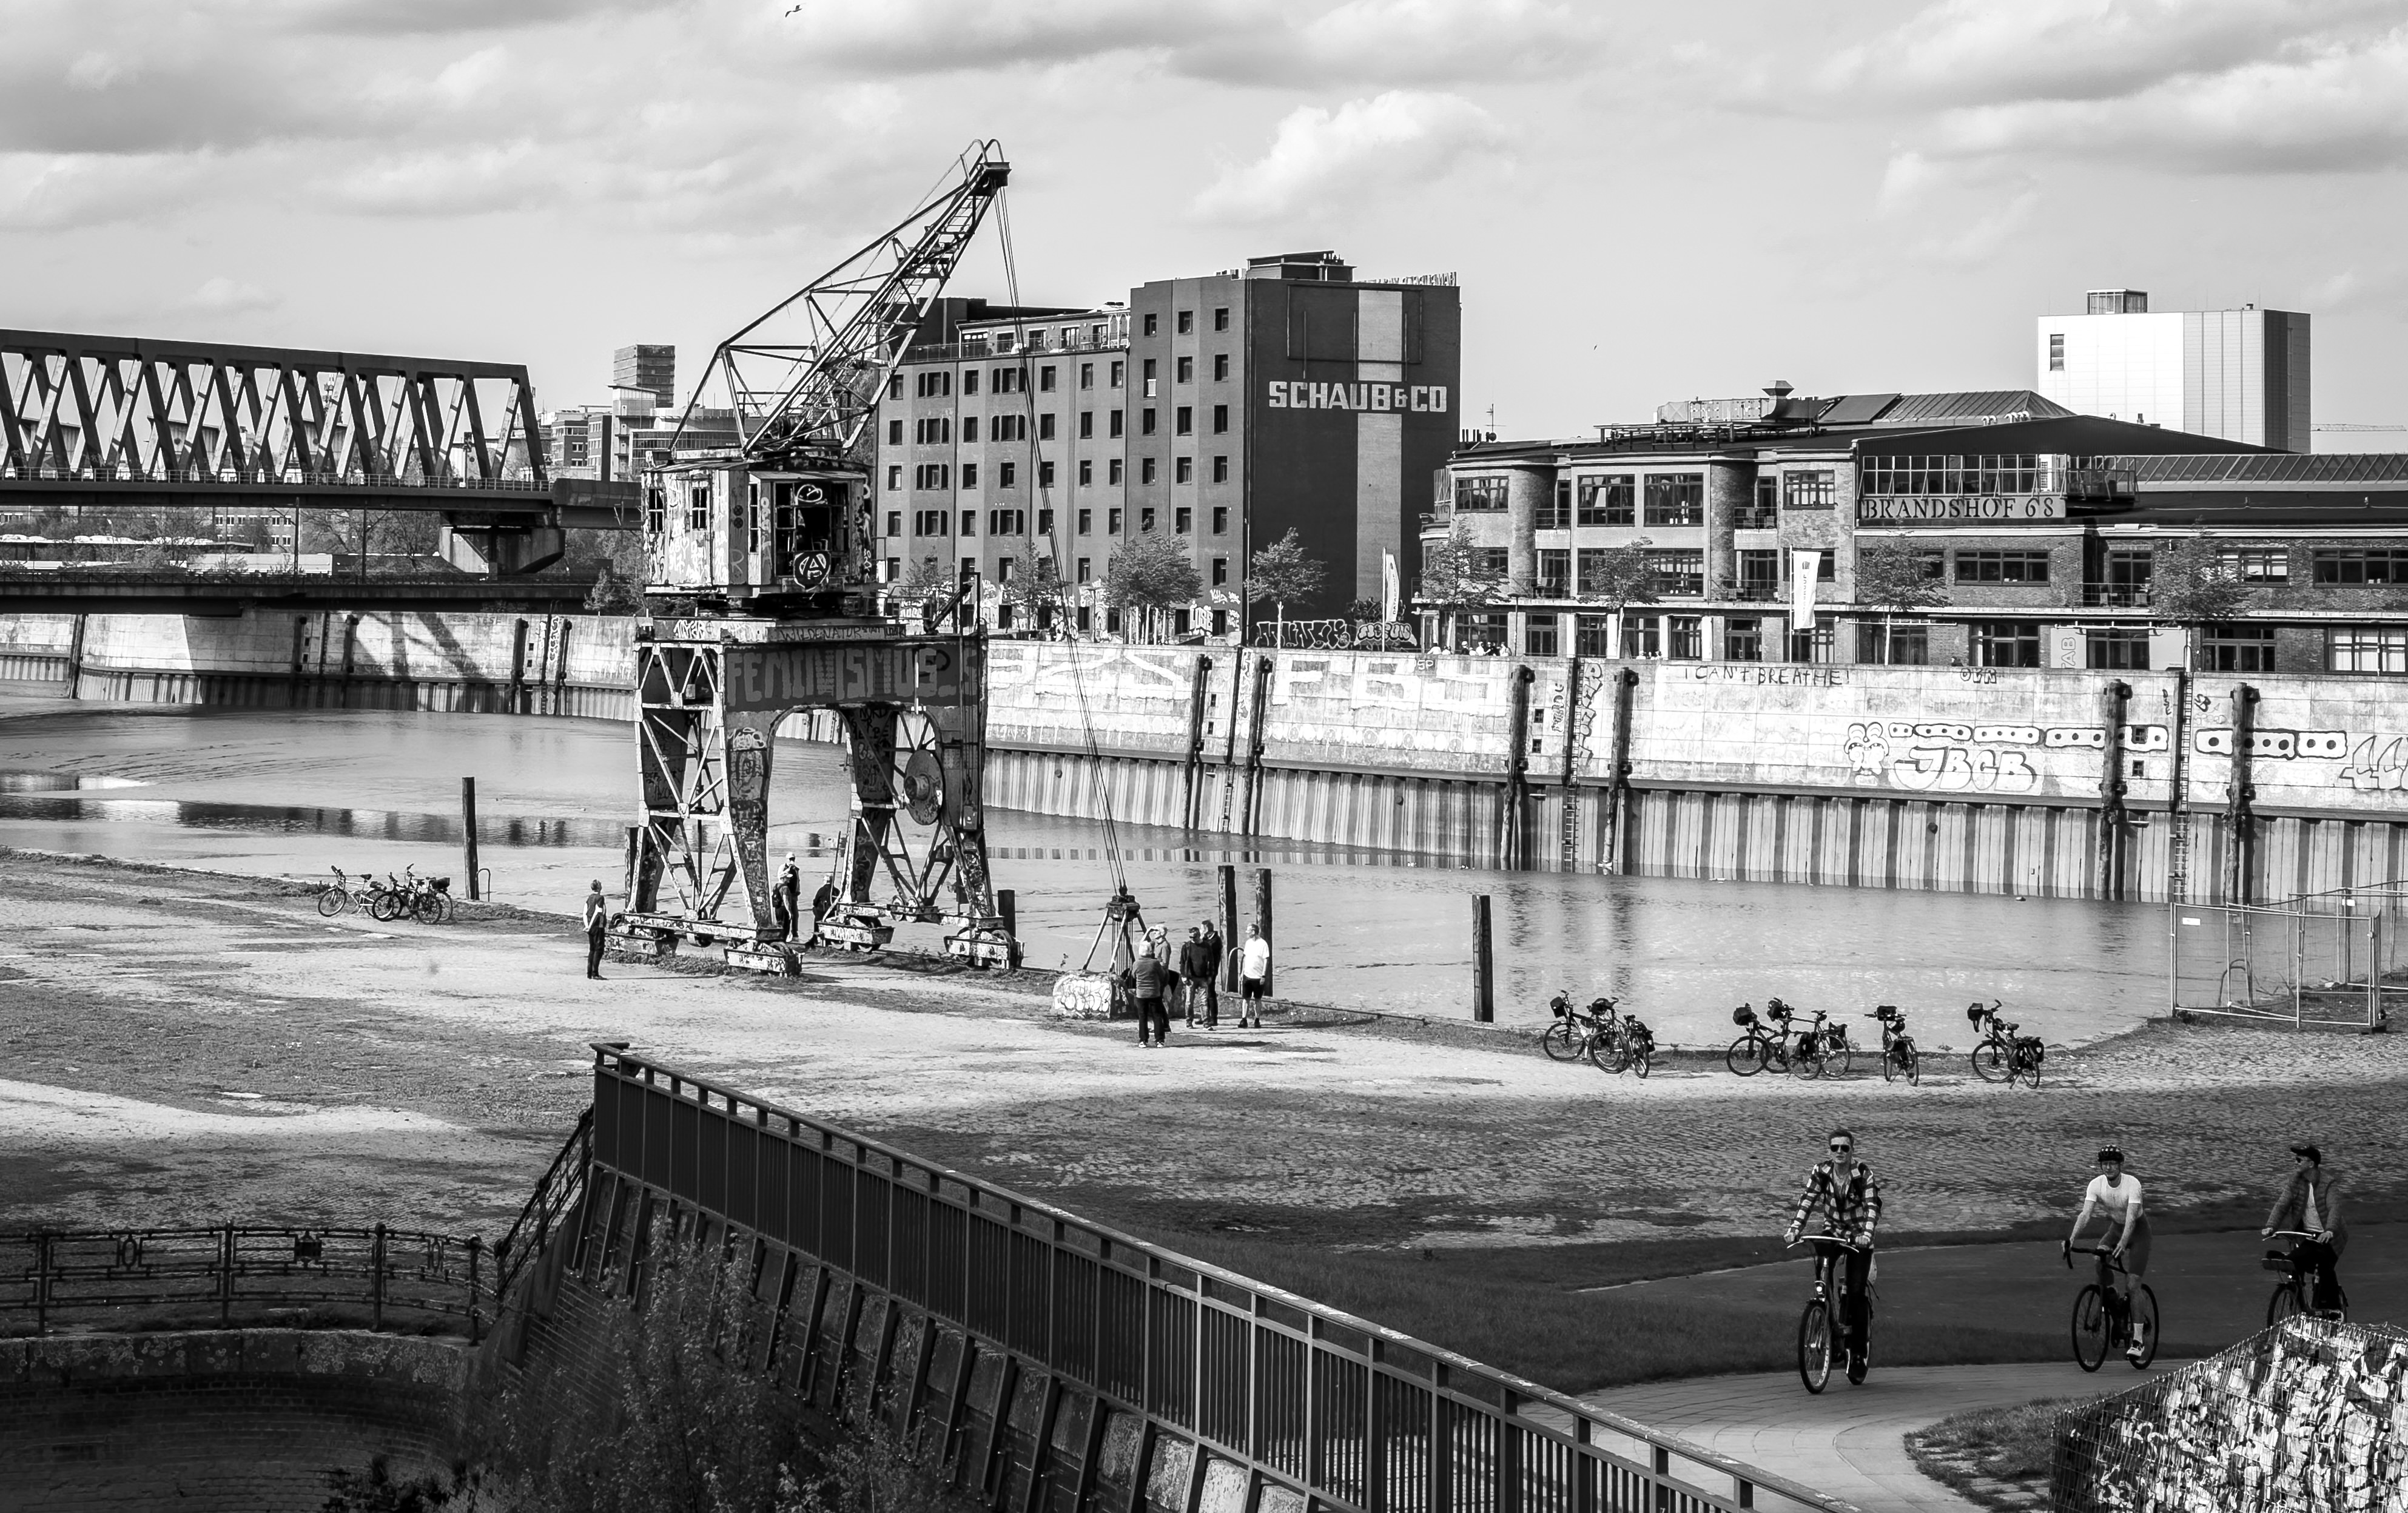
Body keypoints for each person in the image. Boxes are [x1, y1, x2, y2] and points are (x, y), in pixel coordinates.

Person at [1784, 1127, 1882, 1375]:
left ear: (1852, 1150)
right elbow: (1807, 1199)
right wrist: (1795, 1228)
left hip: (1858, 1237)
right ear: (1829, 1151)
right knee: (1822, 1276)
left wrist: (1866, 1235)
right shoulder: (1821, 1171)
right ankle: (1830, 1328)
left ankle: (1858, 1354)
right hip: (1833, 1232)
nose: (1840, 1152)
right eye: (1835, 1148)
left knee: (1856, 1292)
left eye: (1845, 1148)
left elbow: (1872, 1207)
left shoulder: (1863, 1174)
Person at [2065, 1145, 2151, 1361]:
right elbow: (2085, 1215)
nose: (2109, 1167)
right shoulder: (2096, 1185)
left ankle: (2138, 1341)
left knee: (2133, 1283)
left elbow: (2131, 1219)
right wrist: (2071, 1239)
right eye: (2105, 1164)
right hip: (2115, 1230)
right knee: (2099, 1258)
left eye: (2113, 1163)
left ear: (2120, 1165)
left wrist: (2124, 1242)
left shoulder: (2133, 1184)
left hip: (2139, 1233)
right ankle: (2113, 1297)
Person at [2262, 1141, 2346, 1313]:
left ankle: (2333, 1309)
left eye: (2299, 1160)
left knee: (2324, 1267)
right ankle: (2296, 1303)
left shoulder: (2328, 1183)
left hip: (2330, 1237)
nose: (2296, 1163)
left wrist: (2330, 1230)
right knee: (2296, 1264)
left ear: (2311, 1164)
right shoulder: (2295, 1183)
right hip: (2307, 1236)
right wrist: (2271, 1226)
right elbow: (2282, 1205)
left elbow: (2334, 1208)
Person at [1180, 925, 1221, 1029]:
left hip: (1203, 977)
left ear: (1199, 935)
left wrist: (1210, 975)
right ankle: (1189, 1021)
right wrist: (1184, 976)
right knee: (1189, 1001)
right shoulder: (1187, 947)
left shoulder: (1206, 946)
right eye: (1190, 937)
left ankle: (1206, 1022)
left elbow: (1211, 962)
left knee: (1203, 1001)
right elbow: (1183, 962)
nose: (1192, 939)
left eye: (1194, 937)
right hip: (1191, 978)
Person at [1129, 945, 1171, 1048]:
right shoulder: (1155, 963)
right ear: (1151, 952)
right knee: (1157, 1016)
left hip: (1141, 994)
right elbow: (1162, 975)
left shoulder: (1136, 964)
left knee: (1142, 1017)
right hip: (1154, 993)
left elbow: (1133, 976)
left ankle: (1143, 1040)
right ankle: (1159, 1040)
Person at [1238, 924, 1270, 1028]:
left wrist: (1263, 975)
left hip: (1258, 977)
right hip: (1247, 975)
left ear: (1253, 932)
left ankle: (1257, 1019)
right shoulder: (1248, 943)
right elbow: (1245, 958)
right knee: (1246, 998)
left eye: (1248, 931)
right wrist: (1242, 973)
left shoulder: (1263, 944)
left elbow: (1266, 960)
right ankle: (1244, 1019)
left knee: (1257, 999)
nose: (1247, 933)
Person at [582, 880, 610, 979]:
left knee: (592, 949)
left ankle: (590, 973)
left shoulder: (590, 898)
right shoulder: (600, 898)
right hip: (598, 926)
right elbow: (598, 912)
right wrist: (590, 926)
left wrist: (587, 925)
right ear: (599, 887)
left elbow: (585, 913)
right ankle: (595, 973)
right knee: (599, 950)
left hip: (591, 927)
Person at [772, 854, 801, 941]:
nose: (792, 860)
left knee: (795, 914)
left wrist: (798, 890)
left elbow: (797, 880)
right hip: (785, 893)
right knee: (785, 917)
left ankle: (795, 934)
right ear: (787, 859)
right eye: (790, 859)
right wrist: (789, 869)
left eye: (793, 859)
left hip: (794, 894)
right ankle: (781, 936)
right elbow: (780, 877)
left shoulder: (795, 869)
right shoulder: (783, 867)